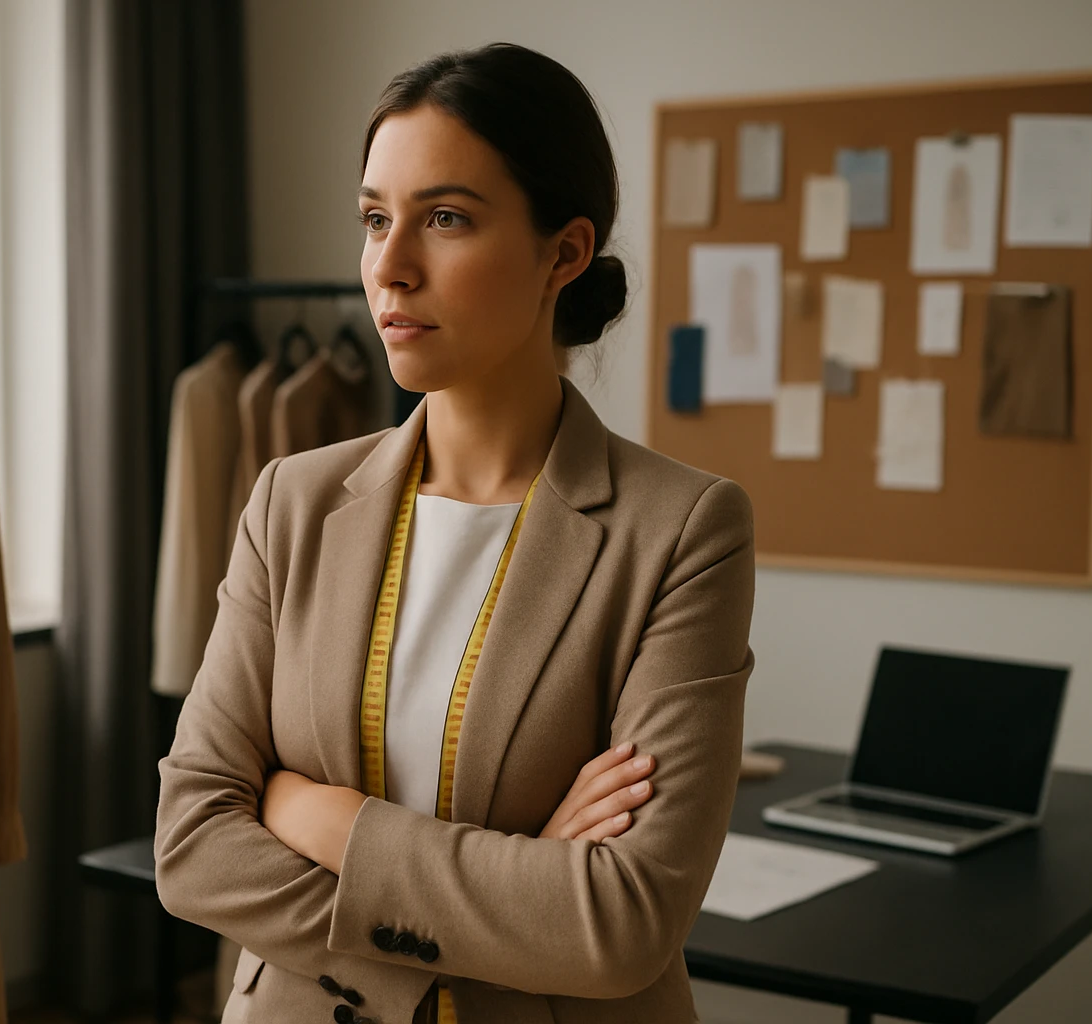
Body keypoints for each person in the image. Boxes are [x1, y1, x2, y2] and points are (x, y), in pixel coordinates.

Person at [155, 41, 754, 1024]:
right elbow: (192, 845)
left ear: (563, 251)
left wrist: (325, 815)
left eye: (444, 219)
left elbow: (622, 920)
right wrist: (520, 887)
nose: (389, 267)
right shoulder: (291, 501)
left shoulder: (683, 530)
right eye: (374, 220)